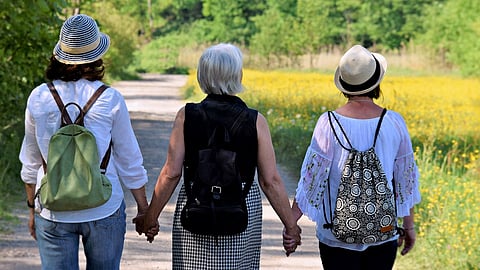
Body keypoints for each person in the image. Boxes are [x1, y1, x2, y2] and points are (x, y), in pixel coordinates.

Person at [136, 43, 301, 269]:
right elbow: (269, 180)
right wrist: (291, 227)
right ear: (238, 75)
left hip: (197, 202)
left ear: (202, 76)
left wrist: (151, 217)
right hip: (241, 205)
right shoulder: (255, 120)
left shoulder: (187, 115)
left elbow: (171, 173)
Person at [19, 14, 150, 269]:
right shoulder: (110, 99)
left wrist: (32, 208)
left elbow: (30, 161)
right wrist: (144, 210)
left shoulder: (39, 97)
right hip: (104, 207)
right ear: (97, 56)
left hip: (53, 209)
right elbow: (129, 159)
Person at [291, 45, 421, 270]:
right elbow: (405, 182)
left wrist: (290, 224)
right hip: (382, 232)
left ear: (344, 85)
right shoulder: (394, 122)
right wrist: (408, 226)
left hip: (335, 235)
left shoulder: (328, 123)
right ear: (376, 83)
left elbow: (312, 181)